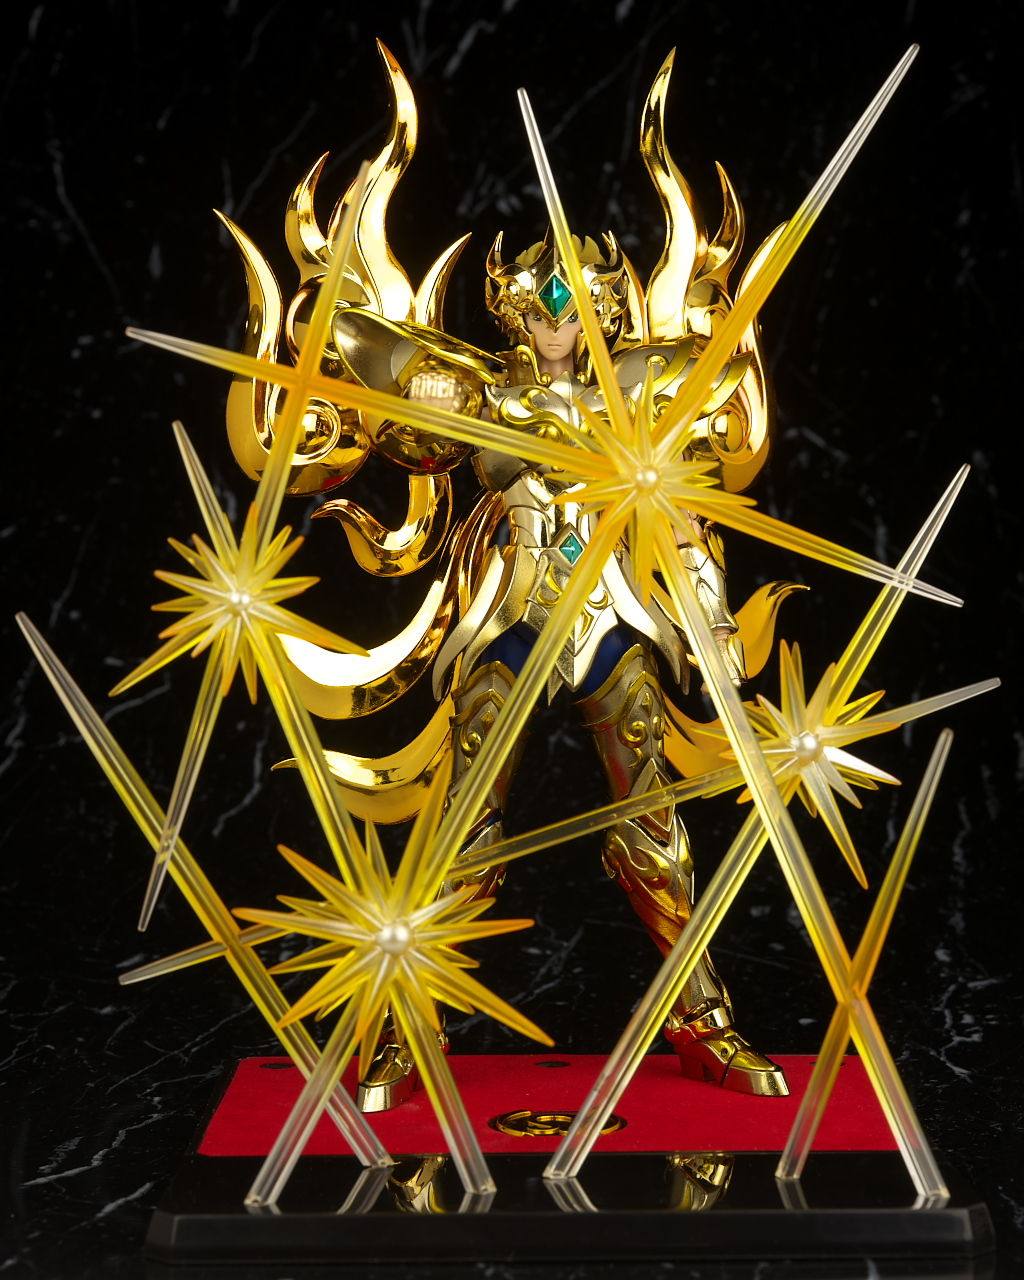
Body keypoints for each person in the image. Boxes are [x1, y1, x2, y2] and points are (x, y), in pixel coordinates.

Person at [219, 40, 791, 1111]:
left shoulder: (640, 392)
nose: (559, 325)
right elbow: (367, 352)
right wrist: (338, 322)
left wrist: (711, 623)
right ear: (510, 311)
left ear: (607, 309)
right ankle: (406, 1029)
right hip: (510, 623)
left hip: (612, 623)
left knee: (655, 832)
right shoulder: (475, 393)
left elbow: (687, 504)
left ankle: (704, 1020)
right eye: (540, 307)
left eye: (577, 307)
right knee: (463, 836)